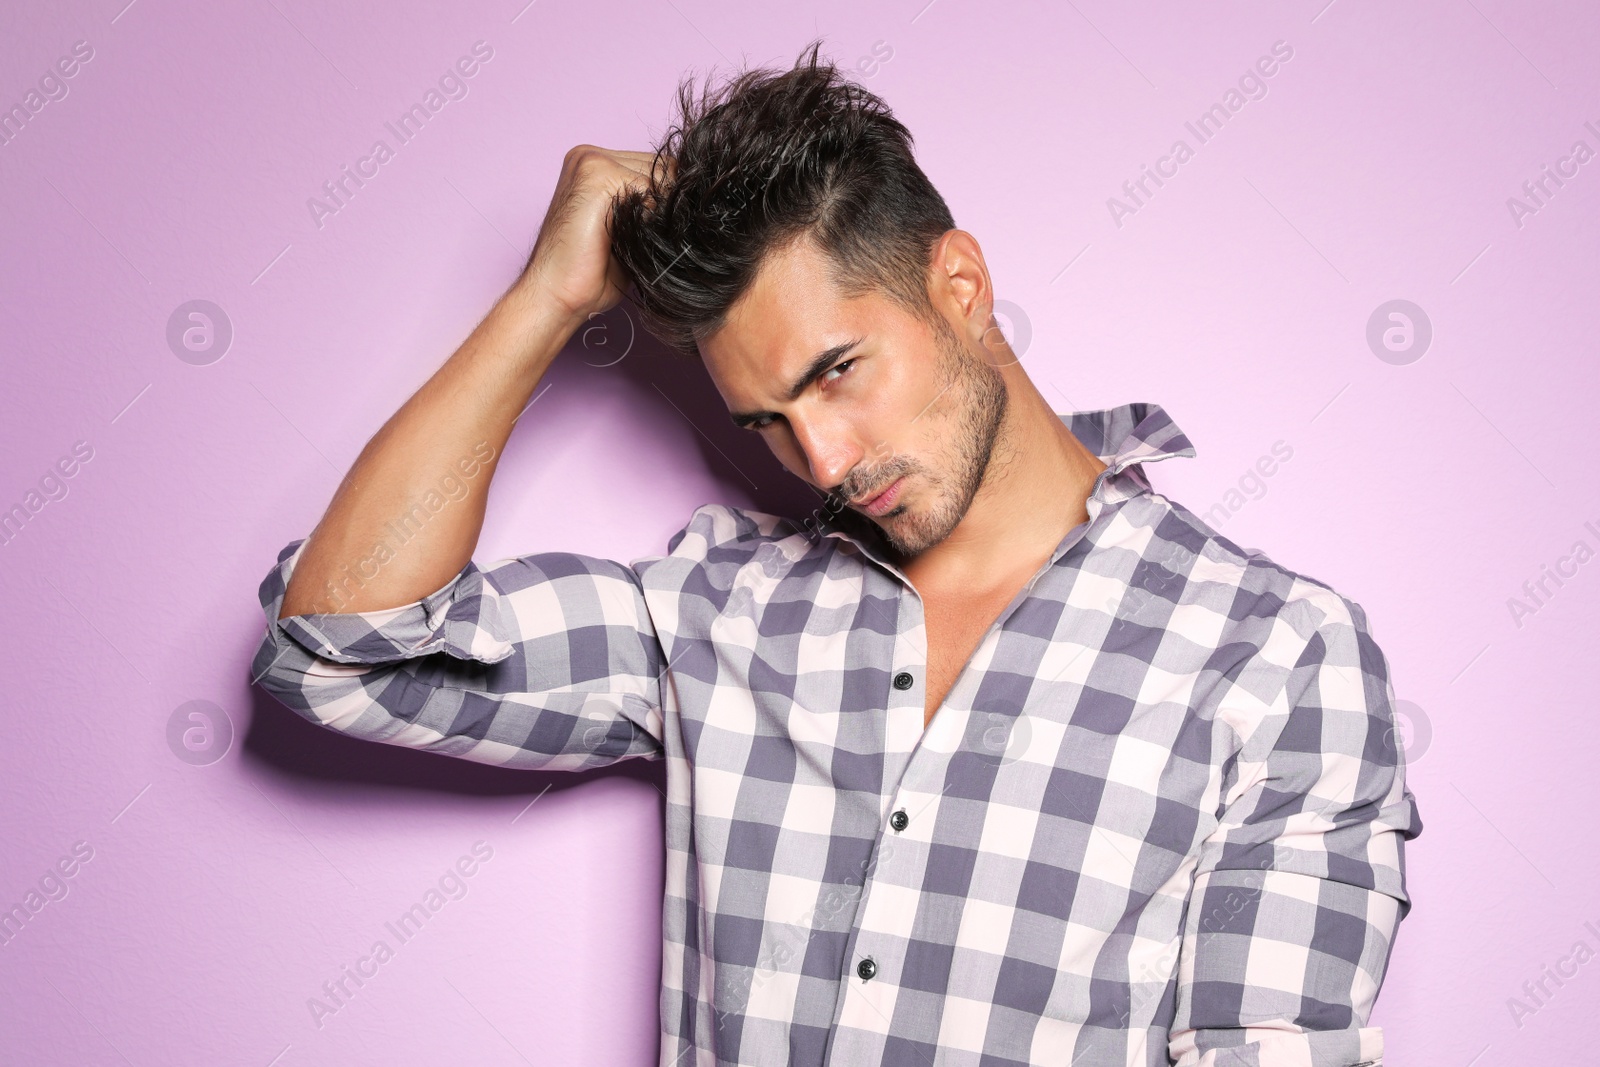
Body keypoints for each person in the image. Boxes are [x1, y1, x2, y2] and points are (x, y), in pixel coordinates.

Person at [252, 39, 1420, 1067]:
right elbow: (340, 648)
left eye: (835, 372)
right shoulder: (720, 606)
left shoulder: (1270, 655)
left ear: (957, 285)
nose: (818, 459)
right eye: (766, 421)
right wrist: (544, 302)